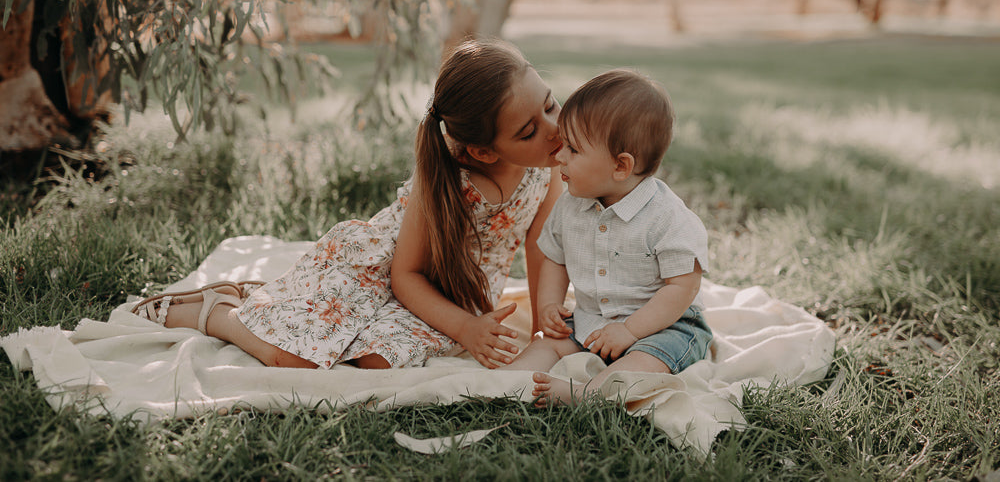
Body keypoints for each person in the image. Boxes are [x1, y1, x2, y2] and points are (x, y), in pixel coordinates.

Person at [131, 39, 564, 370]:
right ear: (483, 151)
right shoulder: (448, 179)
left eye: (550, 104)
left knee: (379, 360)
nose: (553, 128)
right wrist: (465, 328)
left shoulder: (548, 170)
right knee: (295, 359)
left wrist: (542, 326)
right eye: (528, 131)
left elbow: (541, 249)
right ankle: (219, 313)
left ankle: (271, 304)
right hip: (378, 274)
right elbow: (406, 275)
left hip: (451, 293)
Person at [503, 69, 712, 405]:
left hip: (665, 326)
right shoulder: (570, 206)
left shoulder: (667, 218)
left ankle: (589, 395)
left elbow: (682, 287)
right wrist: (549, 305)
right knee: (549, 342)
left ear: (620, 166)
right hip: (593, 321)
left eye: (573, 149)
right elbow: (555, 258)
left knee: (646, 362)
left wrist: (630, 331)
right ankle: (510, 380)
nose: (559, 156)